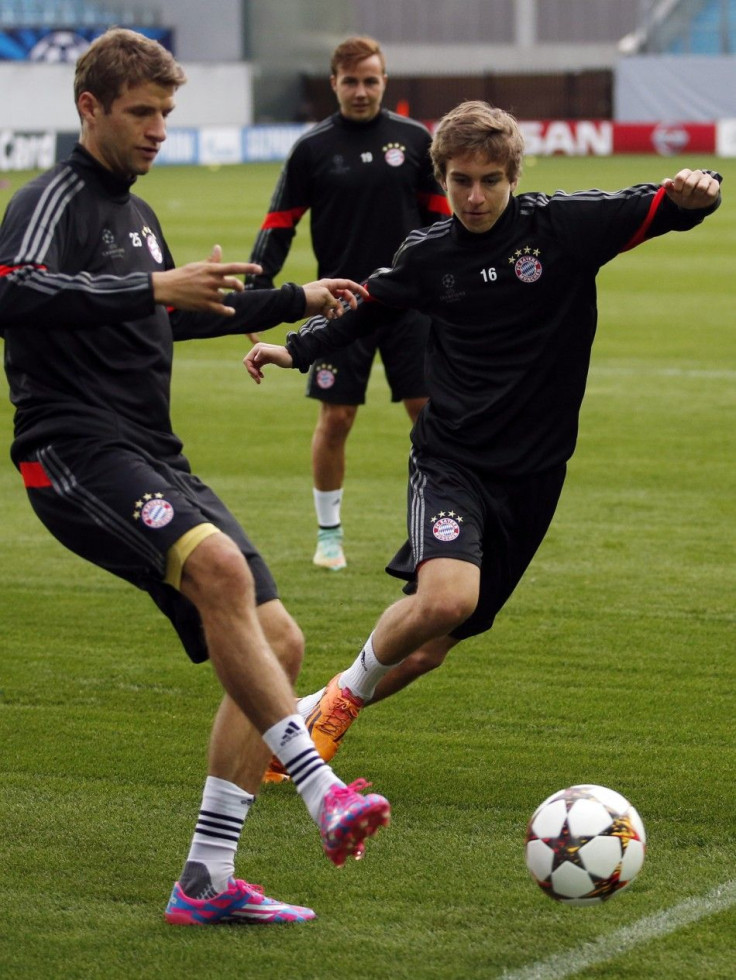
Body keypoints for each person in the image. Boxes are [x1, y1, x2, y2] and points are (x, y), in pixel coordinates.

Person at [0, 28, 391, 927]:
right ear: (89, 108)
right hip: (70, 447)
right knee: (217, 571)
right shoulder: (51, 198)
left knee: (277, 640)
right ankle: (320, 785)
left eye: (168, 113)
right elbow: (11, 289)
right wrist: (151, 290)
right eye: (141, 112)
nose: (158, 130)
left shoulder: (137, 214)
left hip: (147, 450)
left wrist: (300, 297)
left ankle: (206, 881)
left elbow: (170, 315)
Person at [245, 101, 722, 771]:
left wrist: (700, 187)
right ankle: (333, 714)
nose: (474, 196)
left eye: (490, 180)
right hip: (452, 461)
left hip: (533, 476)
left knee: (429, 647)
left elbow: (666, 203)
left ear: (513, 176)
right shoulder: (428, 255)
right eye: (460, 180)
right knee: (447, 598)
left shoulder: (561, 229)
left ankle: (290, 724)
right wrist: (294, 349)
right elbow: (367, 310)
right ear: (441, 177)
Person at [247, 35, 450, 571]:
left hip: (408, 304)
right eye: (352, 81)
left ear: (385, 82)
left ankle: (438, 526)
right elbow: (278, 226)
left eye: (372, 80)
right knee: (336, 419)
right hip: (338, 307)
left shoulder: (412, 140)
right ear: (334, 83)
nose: (362, 91)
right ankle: (329, 537)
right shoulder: (312, 149)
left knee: (427, 416)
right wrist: (255, 297)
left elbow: (444, 223)